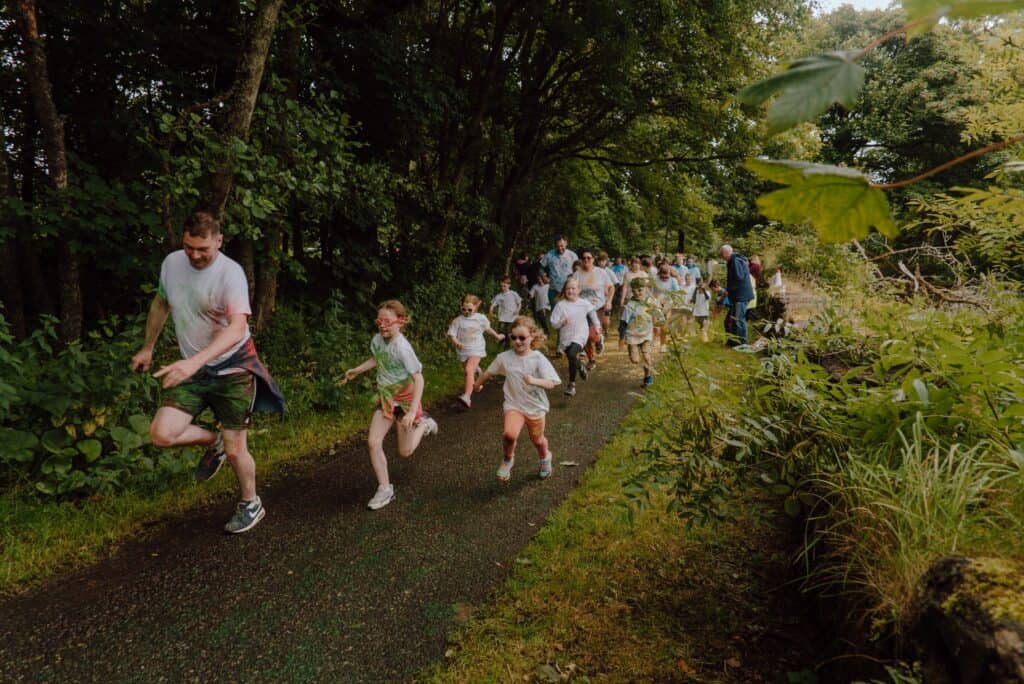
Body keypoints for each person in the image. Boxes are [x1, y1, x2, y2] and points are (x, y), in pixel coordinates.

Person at [131, 211, 285, 534]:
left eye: (203, 249)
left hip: (234, 369)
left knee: (236, 449)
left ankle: (251, 503)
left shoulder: (230, 274)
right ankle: (211, 441)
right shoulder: (172, 264)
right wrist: (148, 347)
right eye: (189, 247)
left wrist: (193, 362)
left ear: (218, 241)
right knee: (162, 434)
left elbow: (238, 327)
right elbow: (161, 303)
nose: (195, 256)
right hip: (194, 368)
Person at [339, 300, 439, 510]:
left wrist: (412, 411)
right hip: (387, 399)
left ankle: (424, 423)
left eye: (387, 321)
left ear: (400, 322)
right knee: (373, 442)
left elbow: (419, 378)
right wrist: (356, 370)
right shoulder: (378, 339)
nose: (382, 325)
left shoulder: (403, 348)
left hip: (405, 403)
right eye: (379, 321)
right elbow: (378, 359)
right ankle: (385, 489)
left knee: (405, 451)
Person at [474, 316, 561, 482]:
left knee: (537, 440)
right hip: (514, 405)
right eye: (513, 337)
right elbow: (488, 372)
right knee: (509, 435)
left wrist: (534, 380)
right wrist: (477, 385)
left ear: (532, 336)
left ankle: (545, 458)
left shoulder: (537, 358)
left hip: (535, 407)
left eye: (522, 337)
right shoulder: (504, 358)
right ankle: (507, 459)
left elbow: (551, 383)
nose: (518, 341)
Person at [448, 294, 505, 409]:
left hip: (476, 349)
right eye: (463, 309)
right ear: (461, 307)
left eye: (470, 309)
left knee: (469, 370)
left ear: (476, 306)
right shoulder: (458, 320)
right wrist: (456, 342)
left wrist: (497, 336)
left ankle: (467, 397)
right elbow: (452, 334)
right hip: (463, 351)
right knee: (467, 372)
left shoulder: (480, 318)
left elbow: (488, 329)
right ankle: (477, 381)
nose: (466, 312)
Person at [550, 278, 600, 397]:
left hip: (581, 335)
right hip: (565, 338)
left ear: (578, 290)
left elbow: (592, 314)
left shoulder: (584, 303)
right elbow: (553, 323)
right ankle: (580, 366)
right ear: (564, 290)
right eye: (568, 288)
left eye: (573, 288)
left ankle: (571, 385)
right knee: (571, 358)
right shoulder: (560, 305)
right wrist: (561, 322)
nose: (570, 291)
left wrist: (597, 327)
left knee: (572, 354)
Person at [574, 247, 615, 369]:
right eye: (584, 258)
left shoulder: (601, 273)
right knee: (584, 335)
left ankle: (599, 339)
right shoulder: (577, 274)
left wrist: (609, 301)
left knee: (593, 335)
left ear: (593, 259)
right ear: (581, 260)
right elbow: (571, 290)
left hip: (598, 307)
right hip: (582, 309)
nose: (586, 260)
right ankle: (591, 360)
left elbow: (611, 287)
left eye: (589, 258)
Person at [618, 278, 663, 387]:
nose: (637, 293)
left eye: (640, 290)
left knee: (647, 357)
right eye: (634, 291)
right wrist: (621, 338)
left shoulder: (651, 302)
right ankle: (633, 351)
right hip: (632, 336)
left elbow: (658, 315)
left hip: (646, 334)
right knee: (635, 360)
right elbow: (623, 323)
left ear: (646, 289)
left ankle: (648, 377)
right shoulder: (630, 306)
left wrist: (657, 326)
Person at [720, 244, 754, 346]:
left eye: (722, 255)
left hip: (741, 295)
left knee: (739, 320)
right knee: (734, 319)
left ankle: (743, 343)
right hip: (738, 295)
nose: (722, 258)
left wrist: (729, 289)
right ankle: (734, 341)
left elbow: (739, 277)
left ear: (726, 253)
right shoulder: (735, 260)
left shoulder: (735, 261)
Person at [539, 234, 579, 308]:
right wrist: (544, 276)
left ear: (566, 243)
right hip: (554, 290)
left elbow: (578, 270)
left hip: (569, 290)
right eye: (558, 246)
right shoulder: (549, 254)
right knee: (556, 314)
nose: (560, 248)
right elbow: (540, 267)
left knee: (569, 313)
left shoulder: (572, 255)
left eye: (562, 246)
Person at [652, 263, 681, 350]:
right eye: (663, 276)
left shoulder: (673, 281)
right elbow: (650, 291)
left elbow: (676, 293)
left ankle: (663, 345)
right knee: (656, 326)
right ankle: (655, 338)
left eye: (667, 277)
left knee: (665, 326)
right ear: (659, 274)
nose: (665, 278)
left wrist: (675, 302)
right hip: (656, 303)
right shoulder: (655, 279)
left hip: (668, 304)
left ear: (670, 274)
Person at [489, 277, 522, 343]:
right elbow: (493, 305)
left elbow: (519, 303)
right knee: (501, 331)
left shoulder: (513, 294)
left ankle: (507, 345)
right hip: (502, 317)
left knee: (508, 332)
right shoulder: (499, 296)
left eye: (504, 286)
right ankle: (501, 344)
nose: (503, 288)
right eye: (501, 286)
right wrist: (491, 312)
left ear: (509, 285)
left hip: (512, 317)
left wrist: (517, 310)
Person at [691, 278, 713, 343]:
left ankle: (705, 340)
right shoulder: (696, 293)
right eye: (699, 288)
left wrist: (703, 290)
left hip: (704, 312)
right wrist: (695, 289)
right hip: (697, 313)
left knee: (704, 328)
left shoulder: (707, 293)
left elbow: (707, 298)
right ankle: (701, 337)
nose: (700, 289)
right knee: (699, 326)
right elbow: (693, 300)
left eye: (701, 288)